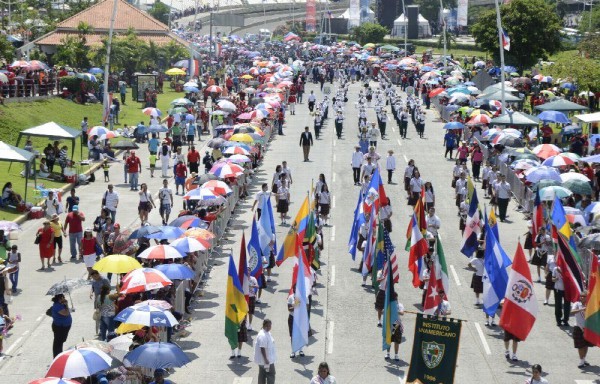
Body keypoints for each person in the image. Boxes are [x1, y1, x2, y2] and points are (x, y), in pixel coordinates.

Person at [571, 291, 592, 368]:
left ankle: (584, 359)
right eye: (581, 296)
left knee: (586, 345)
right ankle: (581, 360)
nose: (582, 297)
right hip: (578, 327)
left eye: (584, 296)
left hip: (587, 328)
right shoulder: (577, 304)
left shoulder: (590, 305)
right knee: (580, 346)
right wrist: (582, 309)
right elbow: (572, 312)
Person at [255, 319, 276, 384]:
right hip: (266, 361)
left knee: (262, 375)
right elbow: (262, 348)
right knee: (271, 375)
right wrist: (266, 359)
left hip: (264, 361)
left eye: (270, 326)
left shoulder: (266, 333)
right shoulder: (262, 335)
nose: (270, 327)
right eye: (268, 326)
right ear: (265, 326)